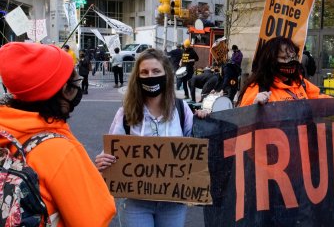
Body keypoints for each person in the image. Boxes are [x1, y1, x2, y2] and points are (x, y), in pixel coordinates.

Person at [0, 42, 116, 226]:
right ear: (64, 91)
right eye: (74, 82)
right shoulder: (59, 150)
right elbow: (93, 220)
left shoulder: (7, 130)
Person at [94, 48, 194, 227]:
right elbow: (112, 150)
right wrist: (103, 161)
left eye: (156, 71)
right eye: (144, 72)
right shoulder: (126, 113)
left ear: (166, 75)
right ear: (137, 78)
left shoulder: (181, 109)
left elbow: (196, 148)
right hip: (135, 203)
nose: (150, 76)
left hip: (174, 201)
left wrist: (205, 119)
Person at [237, 36, 334, 106]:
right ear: (270, 60)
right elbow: (241, 126)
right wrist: (254, 108)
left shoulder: (301, 84)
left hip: (301, 153)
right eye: (284, 58)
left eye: (293, 57)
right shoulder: (258, 89)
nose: (290, 61)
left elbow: (325, 101)